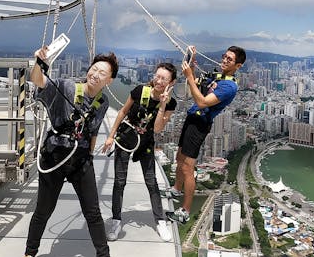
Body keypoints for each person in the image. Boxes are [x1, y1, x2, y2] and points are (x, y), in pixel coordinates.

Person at [18, 46, 120, 257]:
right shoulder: (66, 86)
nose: (95, 74)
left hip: (81, 158)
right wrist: (39, 62)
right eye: (94, 68)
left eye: (102, 72)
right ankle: (29, 254)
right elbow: (38, 81)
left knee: (93, 212)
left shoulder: (102, 102)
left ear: (110, 80)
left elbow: (93, 130)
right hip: (54, 155)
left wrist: (90, 157)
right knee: (43, 210)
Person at [166, 46, 246, 224]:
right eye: (224, 56)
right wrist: (191, 64)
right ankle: (176, 189)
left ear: (238, 66)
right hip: (191, 118)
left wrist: (188, 77)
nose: (224, 60)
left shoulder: (229, 86)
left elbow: (202, 102)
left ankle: (185, 211)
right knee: (179, 158)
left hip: (200, 123)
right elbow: (195, 84)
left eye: (229, 59)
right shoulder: (217, 76)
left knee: (188, 167)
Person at [102, 63, 178, 242]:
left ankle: (160, 220)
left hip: (146, 143)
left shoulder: (171, 104)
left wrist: (162, 105)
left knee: (151, 182)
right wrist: (111, 136)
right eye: (157, 76)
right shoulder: (139, 91)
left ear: (171, 83)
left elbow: (158, 128)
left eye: (164, 79)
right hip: (126, 138)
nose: (158, 81)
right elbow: (122, 112)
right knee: (119, 181)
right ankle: (116, 219)